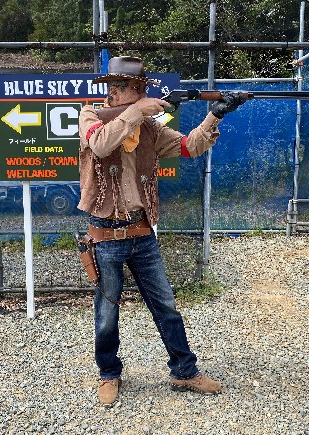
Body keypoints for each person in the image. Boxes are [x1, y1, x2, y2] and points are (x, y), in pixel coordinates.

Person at [77, 56, 246, 407]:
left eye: (129, 87)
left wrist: (216, 114)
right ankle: (108, 373)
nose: (117, 92)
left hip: (142, 232)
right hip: (105, 236)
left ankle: (184, 371)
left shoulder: (150, 129)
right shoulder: (91, 116)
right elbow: (101, 144)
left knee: (166, 306)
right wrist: (137, 111)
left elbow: (189, 147)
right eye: (118, 86)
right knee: (107, 313)